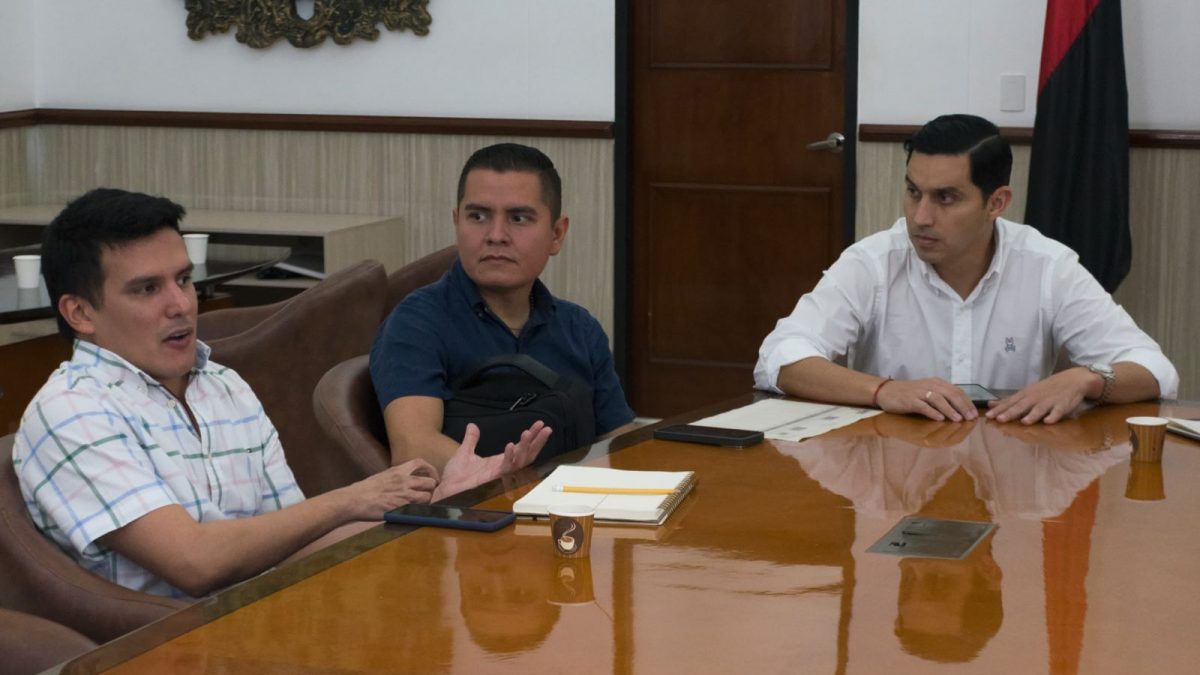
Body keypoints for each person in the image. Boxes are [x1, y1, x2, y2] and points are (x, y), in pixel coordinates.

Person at [11, 188, 462, 599]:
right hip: (162, 642)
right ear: (80, 312)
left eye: (183, 280)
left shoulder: (222, 384)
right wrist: (353, 500)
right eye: (148, 289)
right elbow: (194, 563)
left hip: (271, 616)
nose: (181, 305)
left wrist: (439, 510)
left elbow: (297, 544)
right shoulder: (72, 410)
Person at [755, 114, 1178, 424]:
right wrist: (883, 390)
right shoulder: (873, 262)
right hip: (892, 476)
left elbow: (1154, 369)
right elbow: (781, 357)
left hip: (1009, 476)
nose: (920, 217)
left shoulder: (1047, 267)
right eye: (913, 192)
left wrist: (1085, 380)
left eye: (945, 198)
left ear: (997, 203)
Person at [370, 143, 635, 473]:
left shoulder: (580, 328)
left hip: (576, 500)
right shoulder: (416, 322)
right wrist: (507, 478)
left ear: (556, 234)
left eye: (518, 218)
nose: (496, 235)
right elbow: (414, 447)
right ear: (457, 222)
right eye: (478, 216)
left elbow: (620, 441)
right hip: (473, 503)